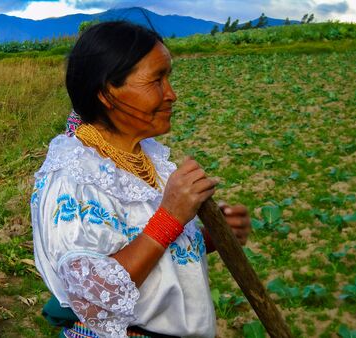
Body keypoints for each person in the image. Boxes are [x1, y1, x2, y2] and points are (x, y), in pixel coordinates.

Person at [31, 21, 251, 338]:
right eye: (157, 80)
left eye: (169, 78)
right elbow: (95, 296)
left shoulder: (147, 157)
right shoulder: (73, 179)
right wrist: (171, 216)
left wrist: (210, 238)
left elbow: (152, 255)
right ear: (108, 93)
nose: (171, 94)